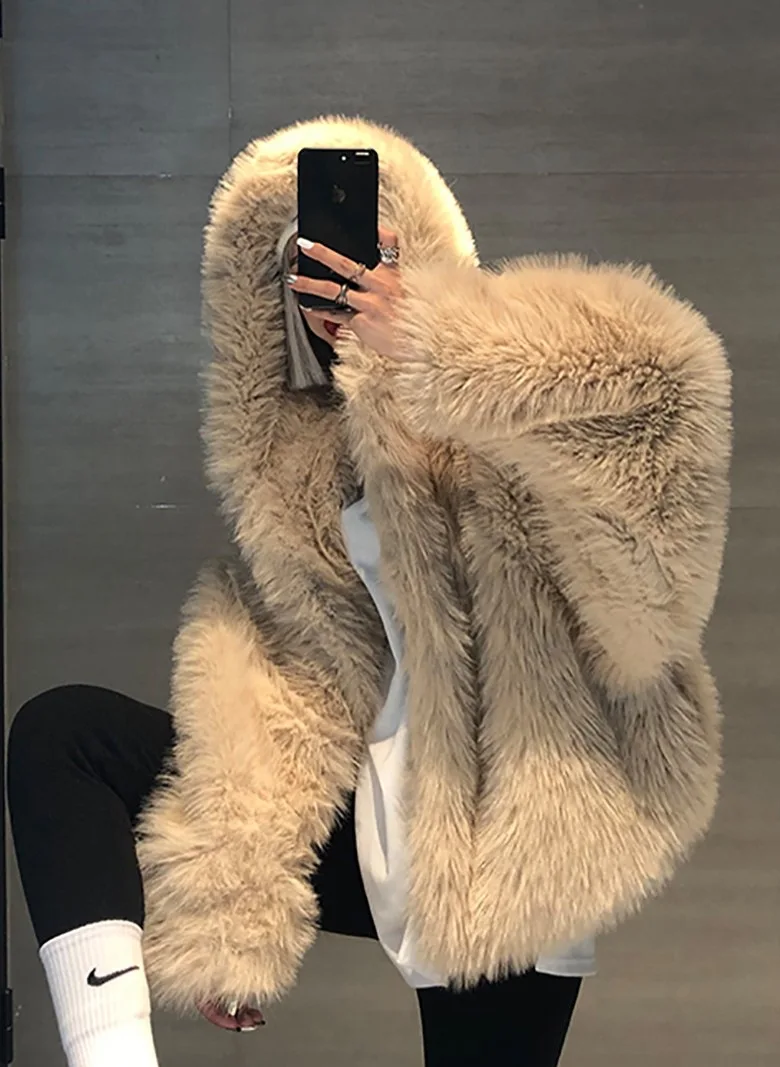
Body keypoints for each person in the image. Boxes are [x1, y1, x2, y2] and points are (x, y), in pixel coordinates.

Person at [6, 114, 732, 1067]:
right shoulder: (310, 485)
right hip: (380, 828)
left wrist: (433, 334)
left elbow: (664, 399)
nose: (325, 286)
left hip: (511, 829)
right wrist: (232, 891)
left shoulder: (501, 424)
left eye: (363, 258)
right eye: (297, 270)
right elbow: (300, 698)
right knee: (64, 734)